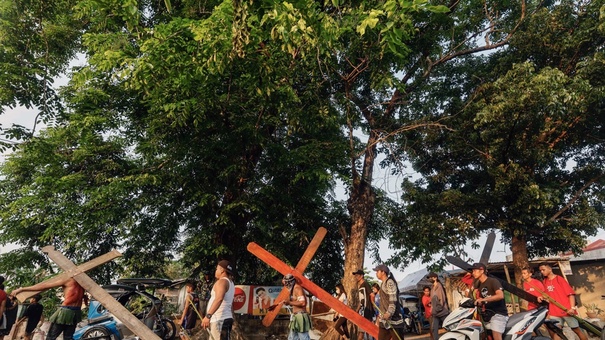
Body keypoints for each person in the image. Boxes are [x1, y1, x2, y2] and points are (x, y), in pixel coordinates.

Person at [11, 277, 85, 340]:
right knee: (68, 338)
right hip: (76, 311)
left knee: (51, 337)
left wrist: (22, 289)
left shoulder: (69, 280)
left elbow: (44, 286)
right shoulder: (83, 282)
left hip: (66, 312)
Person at [538, 262, 587, 340]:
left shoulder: (559, 279)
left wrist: (572, 308)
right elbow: (546, 296)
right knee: (557, 332)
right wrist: (541, 297)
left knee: (577, 330)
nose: (542, 272)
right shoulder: (545, 282)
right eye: (540, 270)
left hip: (566, 310)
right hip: (554, 312)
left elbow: (571, 294)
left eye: (543, 270)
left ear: (550, 269)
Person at [470, 263, 508, 340]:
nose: (473, 273)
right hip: (488, 315)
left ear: (482, 271)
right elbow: (483, 300)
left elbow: (500, 295)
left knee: (496, 335)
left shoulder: (493, 281)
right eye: (472, 271)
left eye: (475, 270)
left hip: (498, 314)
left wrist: (483, 299)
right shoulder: (480, 285)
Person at [201, 260, 235, 340]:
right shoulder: (231, 283)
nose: (215, 271)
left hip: (220, 319)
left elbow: (219, 299)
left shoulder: (222, 281)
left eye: (217, 269)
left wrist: (208, 316)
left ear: (222, 270)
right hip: (225, 318)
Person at [373, 264, 404, 340]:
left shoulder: (389, 282)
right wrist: (379, 317)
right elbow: (383, 303)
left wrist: (389, 313)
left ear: (383, 272)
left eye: (377, 271)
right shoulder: (383, 284)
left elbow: (393, 300)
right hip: (384, 321)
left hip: (394, 321)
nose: (376, 273)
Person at [280, 273, 311, 340]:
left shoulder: (297, 288)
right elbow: (294, 301)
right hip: (295, 317)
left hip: (300, 316)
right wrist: (288, 302)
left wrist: (289, 302)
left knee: (303, 337)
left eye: (286, 284)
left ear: (290, 282)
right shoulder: (293, 289)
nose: (285, 286)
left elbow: (303, 303)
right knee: (292, 338)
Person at [352, 269, 374, 340]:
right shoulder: (360, 286)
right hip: (362, 311)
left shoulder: (365, 284)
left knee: (363, 332)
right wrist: (357, 310)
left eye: (357, 275)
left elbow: (372, 295)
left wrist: (372, 306)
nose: (356, 277)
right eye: (355, 276)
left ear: (362, 276)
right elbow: (361, 300)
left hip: (367, 310)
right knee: (362, 331)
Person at [427, 272, 448, 340]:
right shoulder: (432, 288)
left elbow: (441, 300)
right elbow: (432, 299)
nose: (430, 279)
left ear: (435, 278)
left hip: (442, 312)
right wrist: (431, 306)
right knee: (434, 329)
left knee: (448, 327)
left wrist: (436, 309)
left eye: (431, 277)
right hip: (435, 313)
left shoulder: (439, 287)